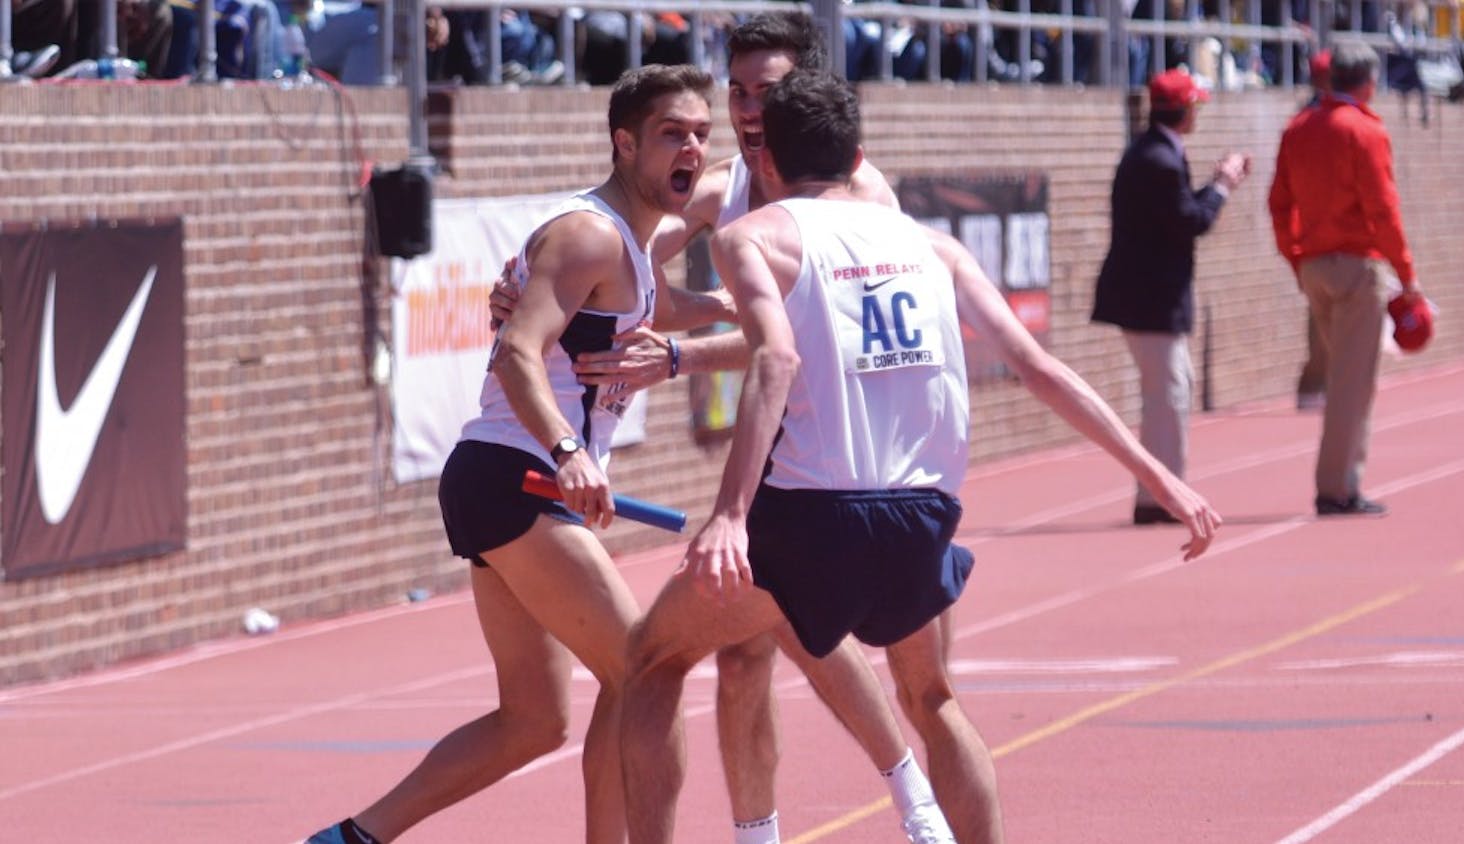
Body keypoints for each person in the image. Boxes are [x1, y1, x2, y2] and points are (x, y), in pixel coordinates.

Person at [619, 69, 1222, 844]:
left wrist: (730, 515)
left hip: (813, 518)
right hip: (921, 517)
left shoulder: (752, 237)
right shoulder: (933, 245)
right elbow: (1039, 368)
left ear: (764, 165)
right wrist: (1157, 473)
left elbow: (774, 362)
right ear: (860, 155)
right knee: (932, 699)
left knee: (650, 661)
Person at [492, 13, 953, 844]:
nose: (745, 109)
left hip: (857, 449)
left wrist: (680, 358)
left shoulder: (859, 195)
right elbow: (620, 253)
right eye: (736, 91)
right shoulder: (723, 186)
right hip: (776, 446)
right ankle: (773, 830)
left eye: (764, 92)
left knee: (835, 644)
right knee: (746, 648)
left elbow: (803, 346)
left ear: (804, 92)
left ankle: (914, 795)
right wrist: (531, 280)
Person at [303, 63, 715, 844]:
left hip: (513, 482)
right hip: (516, 474)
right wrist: (569, 449)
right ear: (624, 144)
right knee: (646, 670)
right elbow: (517, 352)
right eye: (672, 134)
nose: (691, 149)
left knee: (532, 721)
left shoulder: (632, 240)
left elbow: (676, 305)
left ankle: (350, 840)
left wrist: (757, 305)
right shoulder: (590, 233)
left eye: (701, 133)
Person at [1268, 42, 1428, 516]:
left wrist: (1296, 257)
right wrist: (1407, 274)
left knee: (1344, 376)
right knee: (1352, 384)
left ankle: (1339, 481)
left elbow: (1279, 203)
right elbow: (1383, 209)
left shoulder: (1299, 129)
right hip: (1356, 265)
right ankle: (1337, 487)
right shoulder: (1365, 131)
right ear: (1368, 82)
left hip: (1315, 264)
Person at [1090, 69, 1250, 526]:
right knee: (1168, 396)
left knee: (1169, 393)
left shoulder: (1154, 153)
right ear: (1183, 111)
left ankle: (1161, 492)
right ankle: (1161, 496)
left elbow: (1178, 212)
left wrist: (1215, 184)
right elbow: (1190, 221)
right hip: (1150, 298)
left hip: (1149, 296)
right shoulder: (1157, 158)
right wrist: (1222, 186)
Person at [1293, 49, 1332, 411]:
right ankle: (1314, 386)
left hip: (1325, 230)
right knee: (1321, 314)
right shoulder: (1308, 122)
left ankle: (1325, 385)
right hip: (1317, 232)